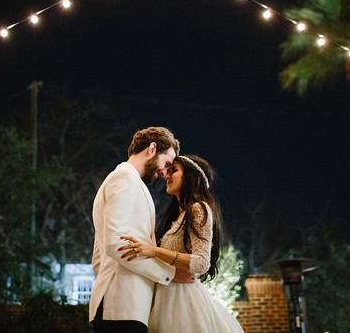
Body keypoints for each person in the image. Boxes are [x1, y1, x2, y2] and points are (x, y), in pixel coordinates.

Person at [119, 154, 244, 333]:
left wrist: (153, 251)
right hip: (165, 297)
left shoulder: (198, 208)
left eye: (174, 171)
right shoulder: (178, 215)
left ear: (192, 177)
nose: (166, 176)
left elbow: (201, 262)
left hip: (184, 301)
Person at [89, 126, 180, 333]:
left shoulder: (124, 180)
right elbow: (117, 245)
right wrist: (169, 273)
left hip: (119, 306)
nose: (165, 172)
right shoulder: (125, 180)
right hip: (122, 308)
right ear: (152, 149)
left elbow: (98, 257)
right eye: (166, 163)